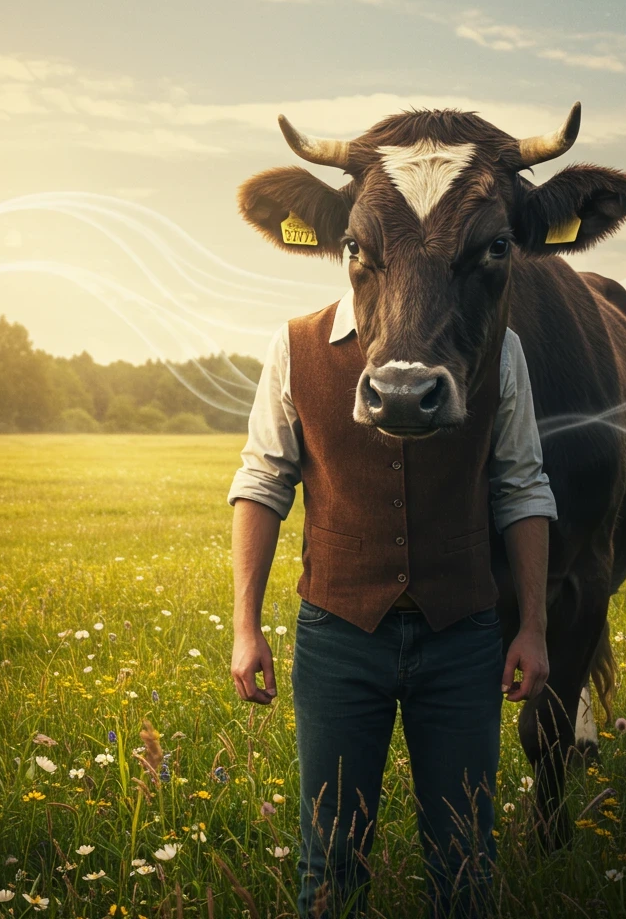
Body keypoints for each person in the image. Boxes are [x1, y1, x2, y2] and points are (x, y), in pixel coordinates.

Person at [228, 285, 557, 918]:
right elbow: (263, 480)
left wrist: (534, 628)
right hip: (338, 638)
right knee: (330, 859)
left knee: (465, 859)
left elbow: (522, 484)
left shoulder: (500, 348)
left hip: (461, 638)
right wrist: (247, 627)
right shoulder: (297, 345)